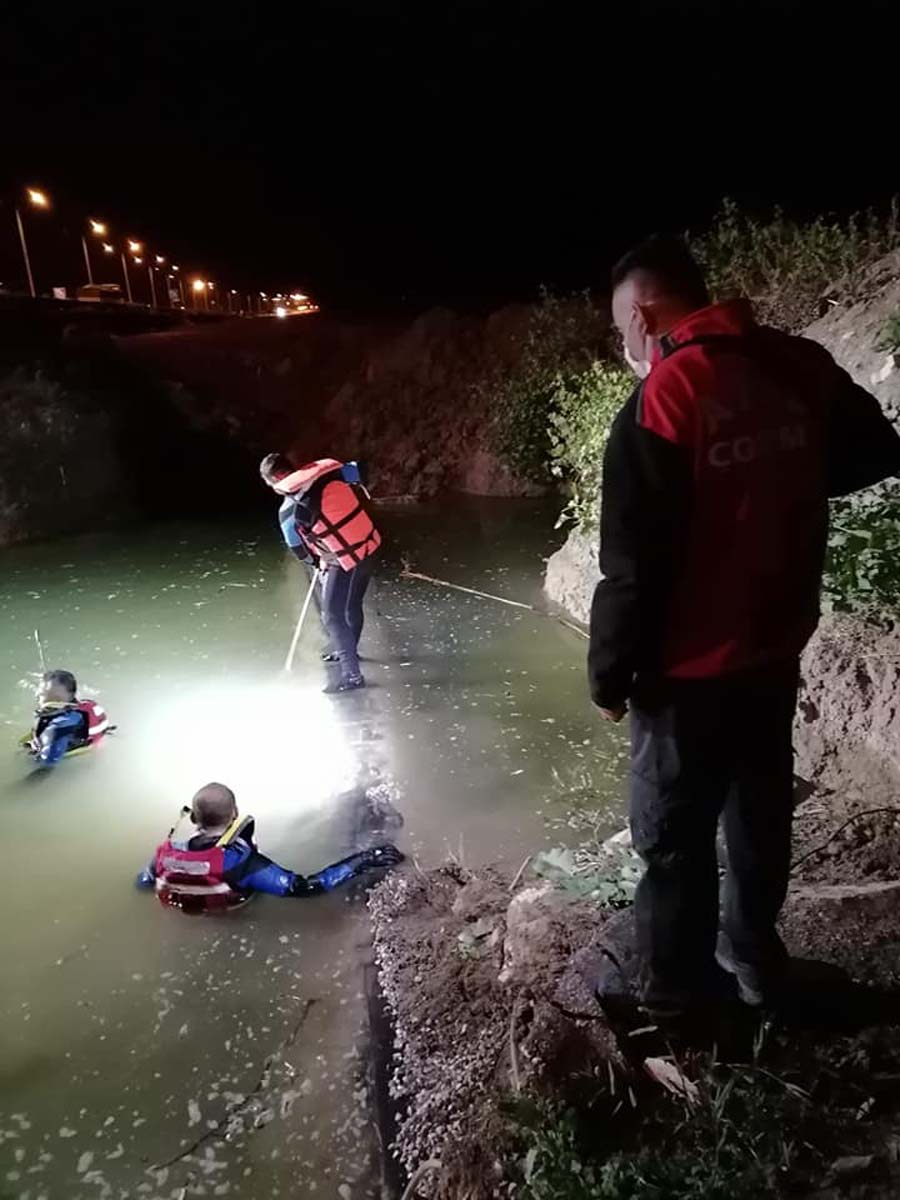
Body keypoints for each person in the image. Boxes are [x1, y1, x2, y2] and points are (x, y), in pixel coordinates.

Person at [589, 235, 900, 1018]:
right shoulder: (797, 364)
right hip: (771, 647)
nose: (626, 343)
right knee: (759, 814)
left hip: (684, 669)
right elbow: (873, 452)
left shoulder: (665, 395)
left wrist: (609, 675)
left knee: (672, 837)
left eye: (622, 328)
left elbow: (633, 566)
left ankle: (679, 994)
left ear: (644, 312)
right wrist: (774, 486)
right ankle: (756, 960)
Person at [136, 781, 404, 912]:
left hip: (193, 913)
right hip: (236, 911)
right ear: (235, 814)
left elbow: (143, 883)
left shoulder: (164, 854)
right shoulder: (242, 863)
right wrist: (365, 858)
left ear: (193, 819)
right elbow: (305, 888)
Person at [261, 453, 381, 693]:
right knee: (352, 604)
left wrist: (317, 561)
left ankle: (352, 675)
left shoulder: (288, 508)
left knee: (332, 616)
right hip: (368, 544)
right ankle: (347, 651)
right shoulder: (330, 473)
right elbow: (358, 472)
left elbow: (298, 548)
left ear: (275, 479)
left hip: (342, 558)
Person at [24, 669, 111, 767]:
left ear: (55, 699)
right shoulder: (78, 705)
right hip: (94, 739)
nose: (37, 695)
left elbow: (47, 765)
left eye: (41, 694)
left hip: (78, 760)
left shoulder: (58, 727)